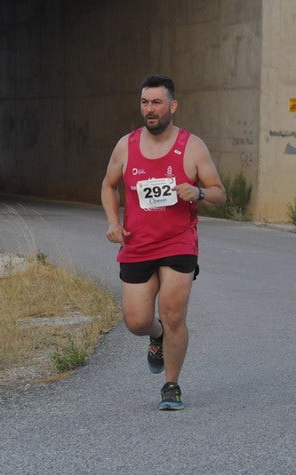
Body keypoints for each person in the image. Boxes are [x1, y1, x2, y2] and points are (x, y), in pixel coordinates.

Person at [101, 74, 226, 410]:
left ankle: (171, 384)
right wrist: (114, 223)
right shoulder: (125, 146)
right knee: (137, 321)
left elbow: (219, 193)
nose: (150, 109)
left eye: (157, 102)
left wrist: (198, 191)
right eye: (145, 102)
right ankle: (155, 336)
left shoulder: (193, 147)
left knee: (173, 314)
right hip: (137, 243)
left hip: (178, 243)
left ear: (172, 105)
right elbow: (108, 185)